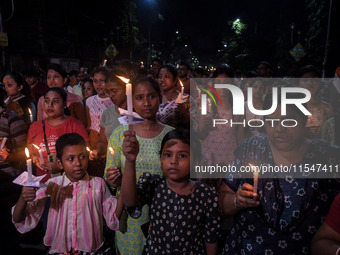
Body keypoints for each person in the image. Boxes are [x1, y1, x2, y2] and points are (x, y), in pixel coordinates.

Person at [218, 91, 340, 254]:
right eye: (271, 121)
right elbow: (223, 204)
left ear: (304, 120)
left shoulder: (328, 156)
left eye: (288, 121)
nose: (279, 129)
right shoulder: (252, 148)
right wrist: (236, 201)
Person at [12, 133, 122, 254]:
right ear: (59, 163)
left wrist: (122, 184)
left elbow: (114, 217)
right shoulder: (52, 185)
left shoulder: (97, 184)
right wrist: (23, 199)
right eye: (70, 159)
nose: (78, 163)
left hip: (92, 250)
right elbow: (19, 219)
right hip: (60, 250)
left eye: (82, 157)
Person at [121, 128, 221, 254]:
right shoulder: (153, 184)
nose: (173, 161)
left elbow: (211, 237)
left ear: (196, 161)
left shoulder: (207, 194)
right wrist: (130, 161)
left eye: (182, 156)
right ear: (161, 158)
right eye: (167, 155)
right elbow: (129, 202)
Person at [105, 76, 174, 255]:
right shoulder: (121, 134)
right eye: (139, 98)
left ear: (160, 98)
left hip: (164, 212)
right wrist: (114, 179)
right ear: (132, 102)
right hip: (131, 217)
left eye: (151, 96)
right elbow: (110, 175)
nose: (146, 103)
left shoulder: (171, 135)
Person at [28, 87, 89, 182]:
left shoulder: (75, 125)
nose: (50, 105)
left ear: (64, 104)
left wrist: (61, 166)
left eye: (55, 101)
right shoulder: (35, 127)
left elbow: (85, 154)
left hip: (70, 182)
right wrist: (34, 157)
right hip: (44, 181)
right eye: (47, 101)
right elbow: (30, 150)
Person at [0, 90, 28, 254]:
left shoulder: (11, 119)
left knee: (8, 231)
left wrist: (8, 155)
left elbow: (24, 153)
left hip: (8, 184)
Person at [37, 63, 87, 128]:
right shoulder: (42, 100)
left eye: (55, 77)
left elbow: (83, 125)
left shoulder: (75, 99)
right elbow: (40, 124)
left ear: (64, 80)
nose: (51, 80)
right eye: (49, 77)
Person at [298, 65, 333, 139]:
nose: (310, 83)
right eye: (305, 80)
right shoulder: (289, 106)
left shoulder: (326, 108)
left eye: (314, 80)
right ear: (298, 83)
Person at [86, 67, 113, 150]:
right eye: (95, 81)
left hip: (110, 139)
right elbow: (89, 124)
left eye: (102, 81)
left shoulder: (114, 100)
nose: (99, 84)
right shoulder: (89, 101)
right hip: (93, 139)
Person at [156, 64, 191, 129]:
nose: (162, 80)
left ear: (175, 80)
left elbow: (193, 126)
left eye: (166, 76)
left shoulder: (184, 98)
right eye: (160, 77)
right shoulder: (154, 97)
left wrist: (183, 112)